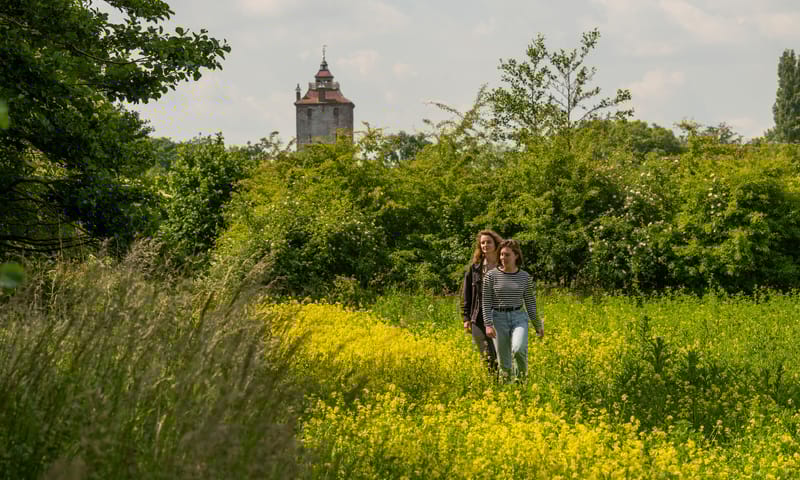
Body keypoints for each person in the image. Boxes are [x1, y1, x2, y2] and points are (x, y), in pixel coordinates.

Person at [482, 239, 543, 382]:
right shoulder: (491, 276)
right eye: (501, 255)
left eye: (507, 255)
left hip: (518, 317)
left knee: (518, 349)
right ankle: (507, 391)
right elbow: (486, 301)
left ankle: (521, 383)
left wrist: (538, 325)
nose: (503, 258)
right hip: (498, 318)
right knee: (504, 361)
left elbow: (530, 303)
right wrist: (488, 324)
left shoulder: (524, 277)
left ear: (516, 256)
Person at [461, 229, 502, 373]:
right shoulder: (475, 269)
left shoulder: (505, 266)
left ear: (496, 244)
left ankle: (507, 383)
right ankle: (494, 385)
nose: (485, 245)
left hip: (499, 315)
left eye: (489, 242)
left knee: (501, 355)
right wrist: (466, 318)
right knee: (486, 355)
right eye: (482, 243)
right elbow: (466, 294)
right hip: (477, 317)